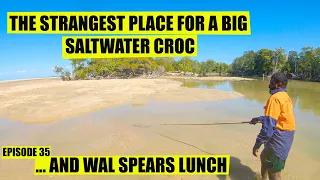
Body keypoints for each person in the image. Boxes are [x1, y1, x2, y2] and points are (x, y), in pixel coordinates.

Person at [250, 72, 296, 180]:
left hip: (280, 138)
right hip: (284, 134)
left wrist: (257, 145)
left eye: (271, 82)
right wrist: (258, 119)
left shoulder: (275, 98)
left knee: (274, 172)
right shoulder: (285, 96)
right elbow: (278, 118)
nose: (269, 85)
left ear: (278, 84)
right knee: (264, 157)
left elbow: (268, 130)